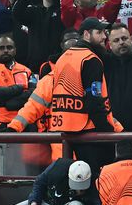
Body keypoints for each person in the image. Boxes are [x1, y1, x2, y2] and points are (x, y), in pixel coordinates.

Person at [49, 19, 122, 173]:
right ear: (87, 34)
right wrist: (107, 131)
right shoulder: (90, 59)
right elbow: (93, 100)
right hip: (89, 131)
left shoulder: (63, 58)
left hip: (66, 128)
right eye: (100, 32)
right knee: (98, 180)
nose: (104, 37)